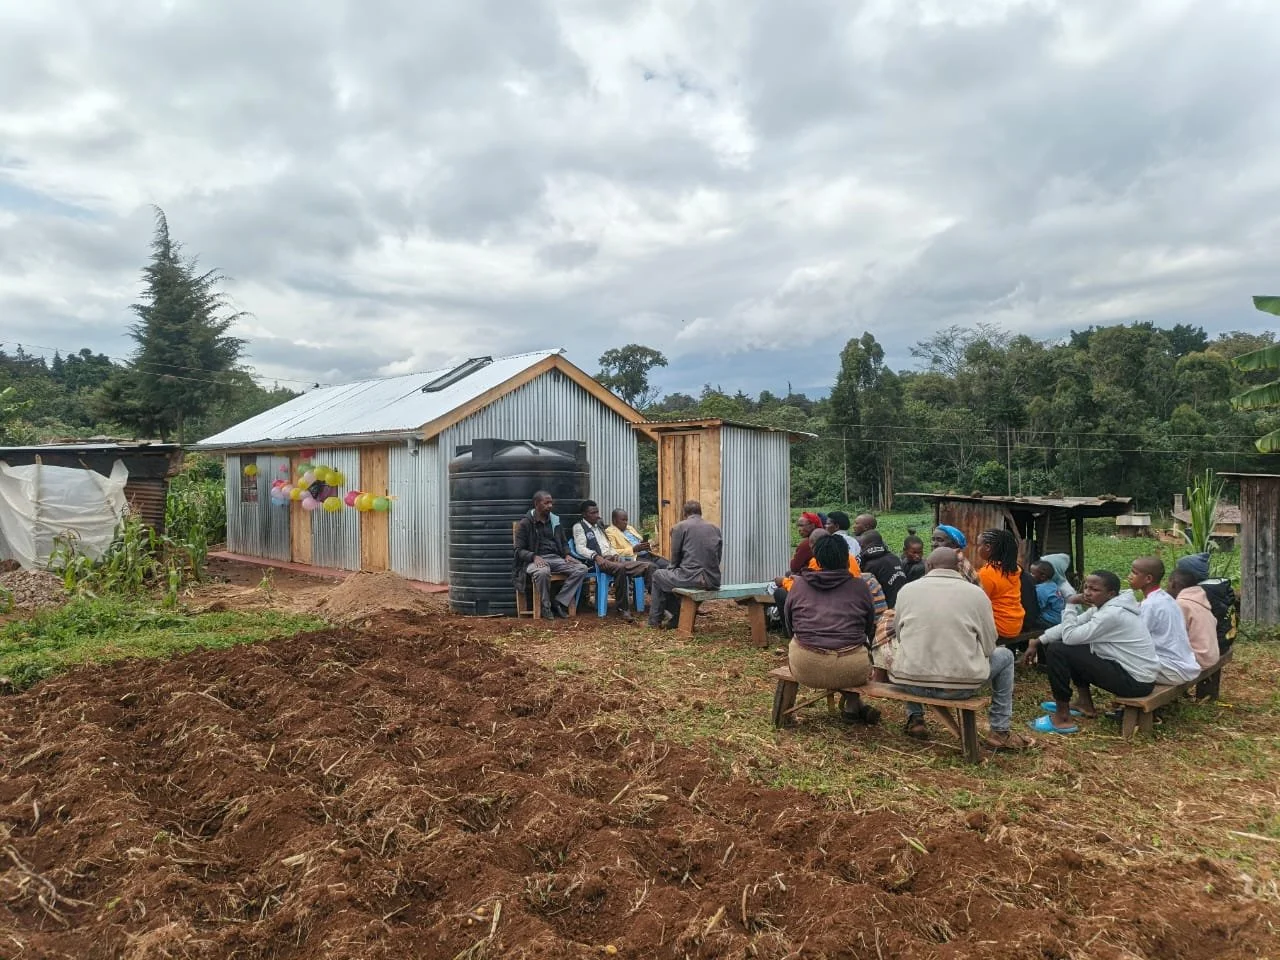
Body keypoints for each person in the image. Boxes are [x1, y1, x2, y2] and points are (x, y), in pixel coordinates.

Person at [889, 548, 1035, 750]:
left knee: (911, 650)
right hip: (958, 688)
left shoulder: (907, 590)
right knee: (1006, 656)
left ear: (928, 566)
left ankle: (916, 719)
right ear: (959, 568)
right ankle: (1000, 731)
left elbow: (899, 634)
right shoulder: (977, 595)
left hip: (910, 683)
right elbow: (989, 644)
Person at [1024, 571, 1158, 734]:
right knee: (1072, 648)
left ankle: (1062, 718)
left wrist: (1071, 604)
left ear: (1111, 593)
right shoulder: (1106, 607)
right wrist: (1038, 640)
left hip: (1136, 683)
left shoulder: (1112, 614)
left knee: (1058, 650)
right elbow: (1075, 623)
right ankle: (1084, 703)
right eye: (1086, 587)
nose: (1087, 592)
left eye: (1094, 589)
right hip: (1133, 675)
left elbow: (1069, 637)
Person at [784, 534, 880, 725]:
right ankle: (853, 706)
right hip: (853, 669)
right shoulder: (860, 586)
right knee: (859, 644)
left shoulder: (799, 585)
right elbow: (869, 627)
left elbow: (790, 626)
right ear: (847, 558)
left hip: (806, 667)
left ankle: (854, 706)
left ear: (816, 560)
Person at [571, 501, 653, 622]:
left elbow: (608, 546)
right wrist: (595, 556)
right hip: (597, 562)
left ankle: (659, 605)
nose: (596, 515)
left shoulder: (599, 527)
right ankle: (623, 609)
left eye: (597, 512)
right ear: (584, 514)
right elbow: (580, 548)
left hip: (612, 560)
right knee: (620, 568)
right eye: (592, 513)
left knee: (648, 566)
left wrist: (615, 554)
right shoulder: (579, 527)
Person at [513, 490, 589, 619]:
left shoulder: (555, 521)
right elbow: (519, 550)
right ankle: (546, 606)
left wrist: (567, 554)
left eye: (551, 503)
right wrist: (534, 556)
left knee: (581, 568)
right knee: (542, 572)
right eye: (546, 503)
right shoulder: (526, 523)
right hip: (534, 560)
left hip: (555, 558)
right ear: (537, 504)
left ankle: (559, 601)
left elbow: (564, 542)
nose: (550, 506)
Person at [647, 501, 722, 628]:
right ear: (700, 512)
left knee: (658, 576)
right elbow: (718, 558)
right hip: (712, 580)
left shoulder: (680, 527)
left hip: (692, 577)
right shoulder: (715, 528)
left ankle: (654, 621)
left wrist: (671, 571)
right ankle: (677, 618)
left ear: (685, 513)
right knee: (670, 579)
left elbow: (675, 558)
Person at [1129, 556, 1200, 685]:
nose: (1130, 576)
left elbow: (1137, 639)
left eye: (1134, 573)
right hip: (1185, 664)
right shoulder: (1166, 598)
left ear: (1148, 579)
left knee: (1119, 657)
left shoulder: (1150, 604)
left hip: (1173, 670)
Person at [976, 528, 1024, 642]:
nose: (978, 549)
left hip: (1000, 628)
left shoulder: (987, 573)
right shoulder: (1013, 569)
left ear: (987, 547)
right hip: (1015, 624)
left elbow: (978, 602)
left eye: (978, 545)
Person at [1168, 569, 1220, 671]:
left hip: (1199, 659)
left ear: (1173, 584)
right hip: (1211, 656)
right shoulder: (1199, 599)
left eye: (1167, 583)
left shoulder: (1181, 604)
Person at [856, 531, 908, 608]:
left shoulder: (870, 564)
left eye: (862, 546)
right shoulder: (894, 558)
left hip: (886, 609)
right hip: (903, 604)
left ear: (866, 545)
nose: (861, 549)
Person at [1029, 560, 1065, 628]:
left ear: (1042, 577)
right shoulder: (1053, 585)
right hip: (1060, 618)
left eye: (1032, 574)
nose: (1030, 575)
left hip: (1050, 620)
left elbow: (1037, 607)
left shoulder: (1041, 590)